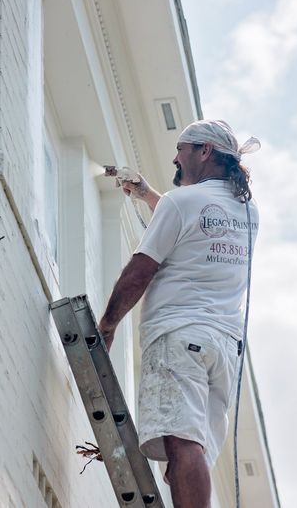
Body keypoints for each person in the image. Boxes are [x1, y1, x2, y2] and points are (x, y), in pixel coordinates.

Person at [98, 120, 260, 508]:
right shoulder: (248, 212)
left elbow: (140, 270)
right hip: (223, 350)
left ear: (204, 151)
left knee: (181, 443)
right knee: (192, 449)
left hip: (180, 337)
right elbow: (199, 225)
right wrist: (148, 195)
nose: (175, 156)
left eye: (181, 148)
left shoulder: (180, 202)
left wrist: (108, 324)